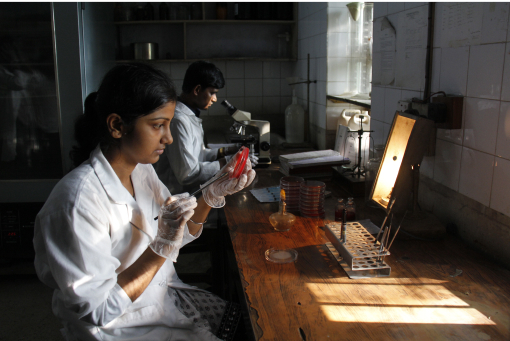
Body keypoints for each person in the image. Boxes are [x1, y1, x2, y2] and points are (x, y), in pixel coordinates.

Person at [33, 63, 256, 341]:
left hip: (159, 299)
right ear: (117, 126)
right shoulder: (75, 204)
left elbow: (178, 237)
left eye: (168, 124)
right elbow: (100, 309)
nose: (169, 137)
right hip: (120, 327)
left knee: (246, 326)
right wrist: (160, 247)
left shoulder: (141, 171)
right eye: (157, 125)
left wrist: (212, 195)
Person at [154, 60, 258, 195]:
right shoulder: (178, 121)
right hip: (175, 195)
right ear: (197, 90)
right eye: (212, 93)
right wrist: (228, 162)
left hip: (190, 192)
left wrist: (227, 151)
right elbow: (187, 175)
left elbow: (199, 155)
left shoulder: (190, 115)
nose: (214, 99)